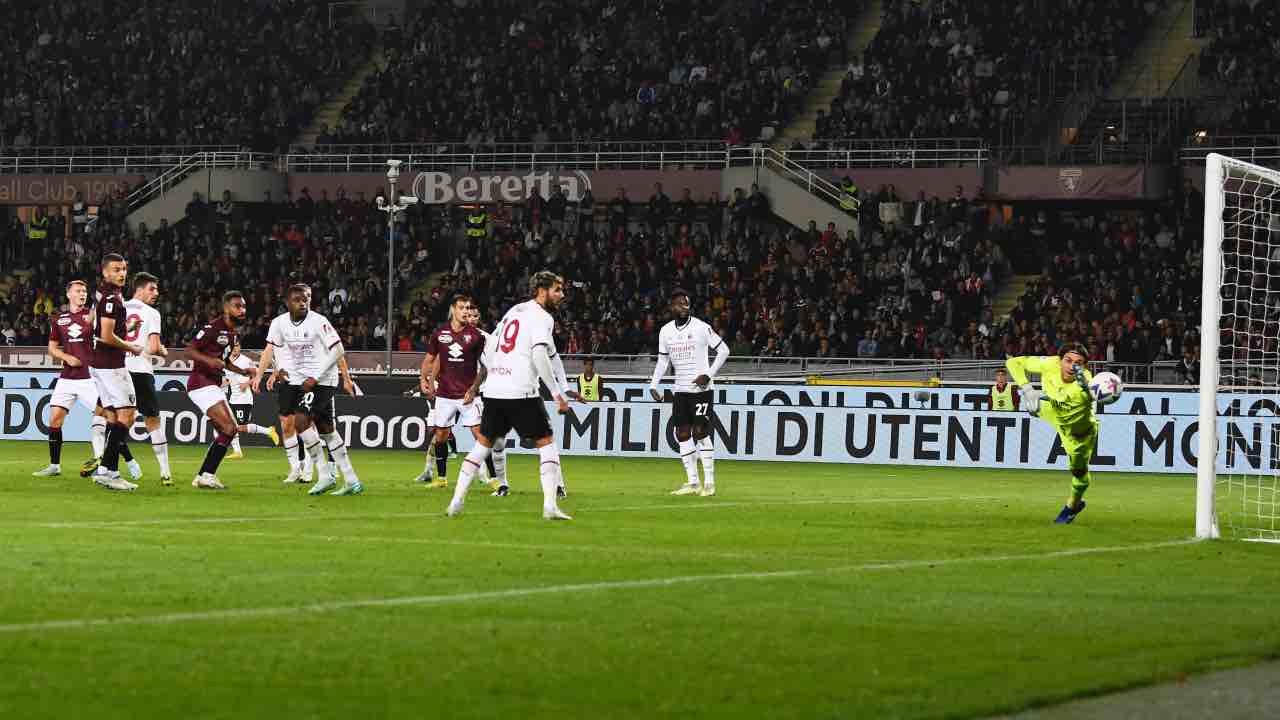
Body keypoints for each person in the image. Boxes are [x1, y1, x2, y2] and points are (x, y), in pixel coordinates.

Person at [446, 270, 577, 520]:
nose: (561, 295)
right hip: (522, 391)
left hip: (495, 389)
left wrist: (498, 371)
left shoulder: (515, 311)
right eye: (557, 290)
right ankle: (550, 506)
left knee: (481, 445)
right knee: (546, 443)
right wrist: (557, 393)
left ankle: (456, 502)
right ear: (542, 290)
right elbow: (539, 355)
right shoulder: (542, 317)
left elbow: (493, 345)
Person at [265, 285, 362, 496]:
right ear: (287, 303)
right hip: (303, 380)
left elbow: (338, 349)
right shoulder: (280, 323)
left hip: (323, 381)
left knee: (300, 420)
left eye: (306, 298)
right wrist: (279, 370)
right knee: (327, 430)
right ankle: (352, 480)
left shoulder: (319, 321)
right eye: (298, 299)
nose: (303, 302)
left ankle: (325, 475)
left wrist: (316, 376)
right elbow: (277, 350)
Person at [648, 288, 729, 497]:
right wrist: (653, 384)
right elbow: (663, 360)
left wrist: (708, 374)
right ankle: (693, 483)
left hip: (701, 390)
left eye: (686, 302)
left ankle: (709, 483)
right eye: (679, 303)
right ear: (671, 307)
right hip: (680, 390)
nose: (684, 306)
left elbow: (724, 350)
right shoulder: (665, 331)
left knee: (700, 433)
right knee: (682, 434)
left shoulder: (701, 327)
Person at [1006, 345, 1097, 524]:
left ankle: (1073, 505)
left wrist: (1038, 397)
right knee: (1033, 402)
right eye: (1068, 360)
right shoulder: (1050, 363)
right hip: (1053, 409)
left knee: (1079, 474)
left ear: (1085, 367)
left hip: (1077, 427)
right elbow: (1012, 362)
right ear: (1059, 360)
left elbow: (1065, 398)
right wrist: (1027, 389)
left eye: (1078, 363)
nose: (1072, 366)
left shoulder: (1085, 381)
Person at [32, 280, 105, 478]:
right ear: (69, 294)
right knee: (54, 419)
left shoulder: (92, 316)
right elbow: (52, 348)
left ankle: (101, 464)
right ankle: (54, 466)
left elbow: (105, 336)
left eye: (84, 291)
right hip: (66, 378)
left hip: (89, 377)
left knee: (103, 417)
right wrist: (67, 358)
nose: (82, 294)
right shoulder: (59, 319)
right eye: (78, 291)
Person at [185, 291, 256, 489]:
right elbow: (189, 351)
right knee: (229, 428)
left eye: (243, 307)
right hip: (200, 383)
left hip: (211, 384)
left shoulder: (233, 334)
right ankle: (206, 475)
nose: (242, 310)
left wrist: (243, 370)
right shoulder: (212, 328)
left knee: (227, 430)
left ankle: (203, 476)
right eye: (237, 306)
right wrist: (209, 361)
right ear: (226, 308)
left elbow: (224, 362)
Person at [416, 294, 486, 489]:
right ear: (453, 309)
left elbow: (485, 366)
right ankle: (441, 479)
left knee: (480, 436)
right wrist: (424, 380)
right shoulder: (440, 334)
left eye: (468, 308)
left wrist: (474, 388)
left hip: (467, 395)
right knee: (440, 436)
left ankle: (494, 479)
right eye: (462, 308)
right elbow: (431, 359)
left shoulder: (476, 336)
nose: (465, 311)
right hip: (445, 395)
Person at [87, 254, 144, 491]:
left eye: (123, 269)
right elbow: (107, 335)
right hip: (111, 365)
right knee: (128, 416)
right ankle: (108, 471)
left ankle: (107, 469)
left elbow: (96, 323)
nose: (121, 273)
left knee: (114, 417)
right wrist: (132, 346)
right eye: (116, 269)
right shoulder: (112, 298)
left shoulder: (103, 293)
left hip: (100, 363)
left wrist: (127, 327)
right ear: (105, 272)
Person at [123, 272, 173, 485]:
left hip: (118, 370)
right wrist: (163, 351)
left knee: (117, 422)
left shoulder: (120, 307)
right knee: (153, 421)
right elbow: (153, 347)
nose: (156, 293)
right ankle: (165, 473)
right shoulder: (151, 313)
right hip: (141, 371)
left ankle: (111, 467)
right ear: (139, 289)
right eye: (152, 289)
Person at [223, 347, 280, 458]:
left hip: (243, 399)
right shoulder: (227, 362)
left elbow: (258, 374)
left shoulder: (245, 360)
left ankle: (268, 431)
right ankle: (237, 451)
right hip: (233, 398)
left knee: (238, 427)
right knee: (229, 425)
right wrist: (220, 385)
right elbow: (229, 379)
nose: (236, 348)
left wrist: (247, 383)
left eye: (238, 346)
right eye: (233, 346)